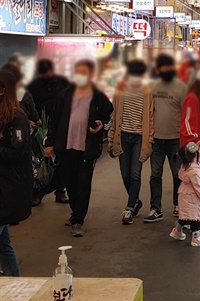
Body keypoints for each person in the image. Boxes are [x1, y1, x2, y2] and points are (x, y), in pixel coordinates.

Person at [45, 59, 113, 237]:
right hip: (65, 147)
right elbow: (54, 120)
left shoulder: (97, 95)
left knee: (83, 184)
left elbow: (108, 114)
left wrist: (101, 124)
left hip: (87, 149)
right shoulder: (65, 94)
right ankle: (76, 211)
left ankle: (78, 220)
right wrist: (50, 143)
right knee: (70, 182)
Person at [108, 60, 154, 225]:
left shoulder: (147, 91)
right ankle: (136, 201)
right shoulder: (121, 89)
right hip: (123, 137)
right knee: (125, 175)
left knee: (135, 173)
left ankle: (129, 208)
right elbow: (114, 116)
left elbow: (151, 118)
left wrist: (150, 139)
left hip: (139, 139)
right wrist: (111, 137)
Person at [144, 54, 188, 223]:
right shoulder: (153, 86)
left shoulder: (181, 87)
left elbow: (186, 114)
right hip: (156, 139)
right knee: (155, 175)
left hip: (175, 139)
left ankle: (178, 204)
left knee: (178, 174)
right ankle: (155, 208)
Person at [0, 69, 33, 276]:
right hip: (2, 188)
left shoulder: (17, 117)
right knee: (4, 244)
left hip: (9, 190)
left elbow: (16, 153)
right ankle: (15, 283)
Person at [27, 59, 71, 205]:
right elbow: (28, 105)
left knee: (61, 161)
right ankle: (38, 192)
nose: (45, 77)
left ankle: (60, 191)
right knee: (39, 162)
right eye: (42, 75)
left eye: (47, 74)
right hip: (39, 128)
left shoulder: (63, 82)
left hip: (60, 127)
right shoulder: (33, 85)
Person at [169, 142, 200, 247]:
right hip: (193, 197)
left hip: (183, 194)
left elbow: (181, 175)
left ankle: (177, 231)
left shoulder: (184, 166)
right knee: (194, 217)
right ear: (195, 156)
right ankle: (196, 237)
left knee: (185, 216)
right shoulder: (195, 171)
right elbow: (199, 187)